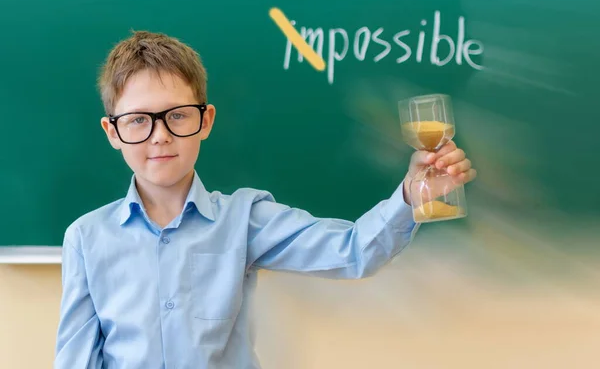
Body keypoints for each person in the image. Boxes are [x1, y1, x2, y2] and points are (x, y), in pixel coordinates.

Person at [54, 30, 476, 368]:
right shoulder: (87, 238)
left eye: (177, 115)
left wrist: (411, 193)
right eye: (138, 120)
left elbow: (353, 251)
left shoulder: (245, 218)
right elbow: (76, 360)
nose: (160, 135)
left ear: (206, 121)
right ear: (113, 131)